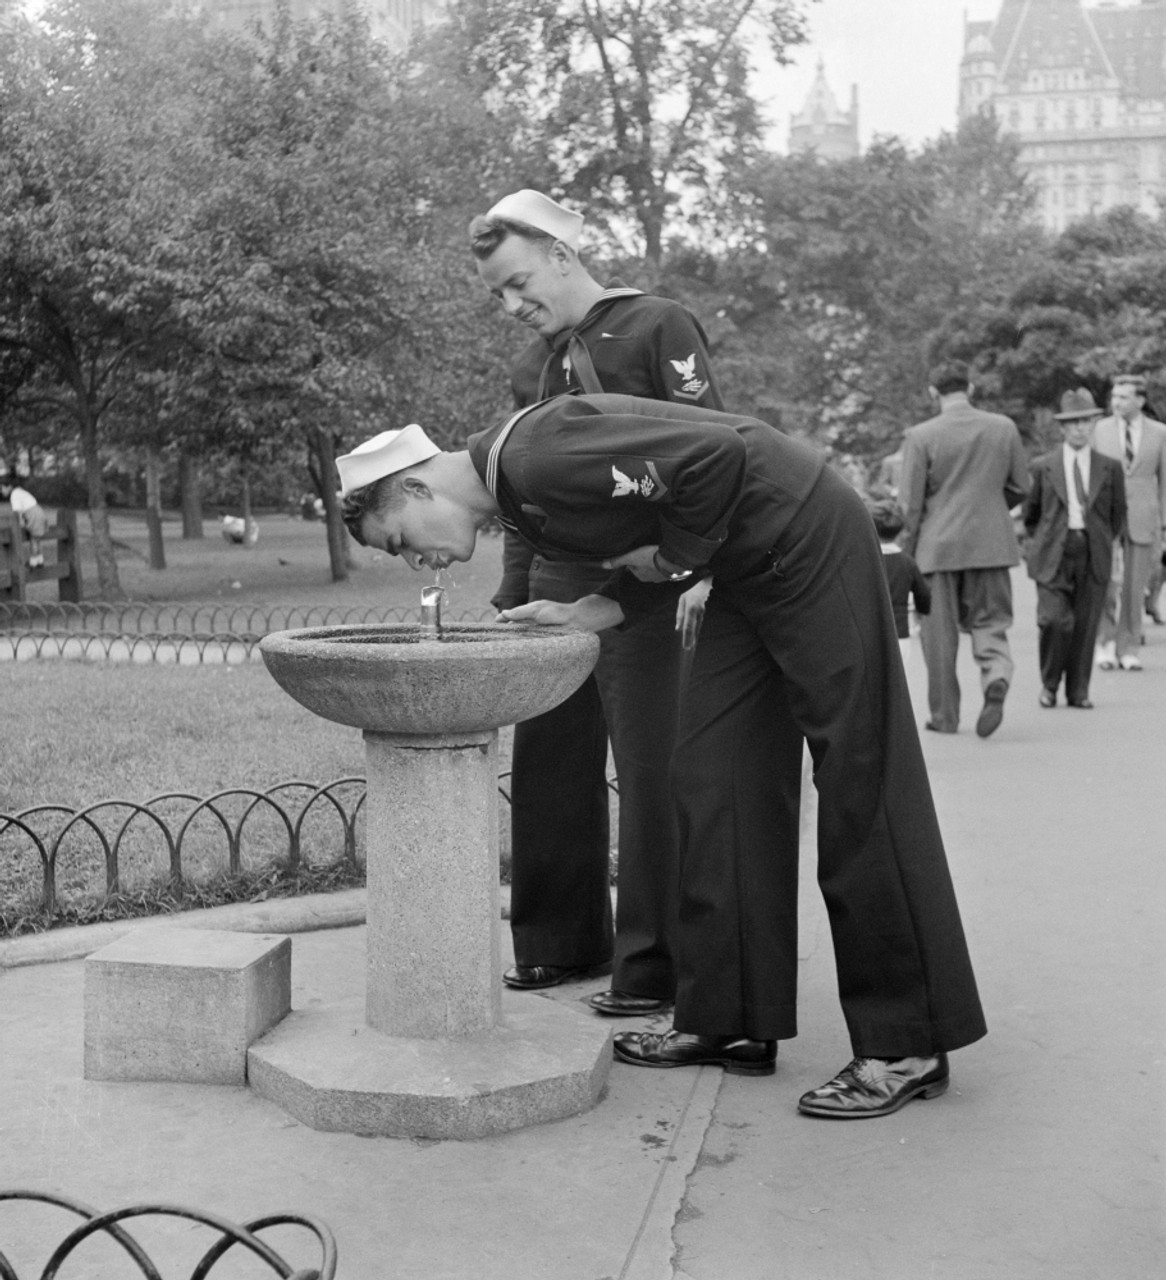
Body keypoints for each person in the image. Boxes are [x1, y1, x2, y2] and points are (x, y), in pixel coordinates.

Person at [336, 394, 987, 1119]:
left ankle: (907, 1041)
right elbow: (667, 509)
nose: (408, 559)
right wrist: (594, 609)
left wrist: (675, 556)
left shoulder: (532, 456)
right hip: (744, 567)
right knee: (713, 775)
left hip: (807, 535)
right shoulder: (519, 492)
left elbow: (718, 459)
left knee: (860, 772)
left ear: (417, 488)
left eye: (394, 539)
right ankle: (731, 1017)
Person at [467, 189, 725, 1018]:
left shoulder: (658, 326)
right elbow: (519, 491)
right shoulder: (533, 366)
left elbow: (713, 454)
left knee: (650, 772)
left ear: (560, 253)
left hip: (645, 583)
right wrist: (513, 594)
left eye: (517, 283)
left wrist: (701, 570)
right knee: (548, 764)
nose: (511, 306)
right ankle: (557, 944)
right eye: (498, 297)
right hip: (554, 578)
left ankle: (651, 966)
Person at [899, 360, 1029, 738]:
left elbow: (910, 505)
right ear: (970, 388)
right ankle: (996, 675)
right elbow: (1022, 485)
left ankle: (945, 716)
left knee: (938, 636)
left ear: (933, 392)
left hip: (937, 549)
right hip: (991, 545)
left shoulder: (920, 436)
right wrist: (989, 508)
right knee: (992, 622)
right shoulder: (1003, 427)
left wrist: (904, 552)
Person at [1023, 390, 1126, 710]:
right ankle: (1049, 685)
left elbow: (1117, 513)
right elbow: (1032, 515)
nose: (1081, 428)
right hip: (1054, 551)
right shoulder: (1043, 466)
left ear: (1093, 425)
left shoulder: (1109, 467)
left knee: (1085, 623)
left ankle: (1078, 690)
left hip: (1092, 551)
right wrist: (1042, 542)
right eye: (1074, 423)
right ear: (1063, 428)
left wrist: (1101, 539)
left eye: (1086, 422)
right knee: (1055, 621)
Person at [1090, 375, 1166, 671]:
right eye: (1114, 397)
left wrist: (1164, 525)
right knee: (1106, 583)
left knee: (1136, 587)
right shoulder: (1099, 430)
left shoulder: (1160, 433)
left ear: (1140, 401)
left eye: (1123, 397)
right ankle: (1104, 642)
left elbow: (1164, 483)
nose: (1116, 402)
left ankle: (1129, 646)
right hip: (1105, 517)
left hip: (1143, 516)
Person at [869, 499, 930, 665]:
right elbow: (923, 596)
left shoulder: (864, 560)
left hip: (868, 634)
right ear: (900, 530)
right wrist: (922, 609)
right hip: (899, 632)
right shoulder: (907, 563)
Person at [0, 476, 49, 568]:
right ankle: (40, 560)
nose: (1, 491)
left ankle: (34, 562)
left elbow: (17, 513)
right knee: (37, 539)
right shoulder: (19, 491)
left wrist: (21, 524)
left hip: (33, 514)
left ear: (9, 486)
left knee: (33, 539)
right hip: (39, 511)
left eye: (2, 488)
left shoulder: (14, 495)